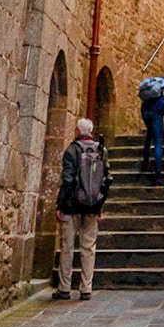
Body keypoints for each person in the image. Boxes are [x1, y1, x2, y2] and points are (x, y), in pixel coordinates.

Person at [53, 118, 112, 301]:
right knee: (89, 247)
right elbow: (106, 179)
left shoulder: (72, 150)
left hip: (72, 206)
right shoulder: (101, 150)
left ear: (78, 131)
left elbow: (68, 180)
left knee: (67, 247)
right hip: (92, 206)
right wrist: (99, 205)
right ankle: (86, 287)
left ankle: (64, 287)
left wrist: (61, 205)